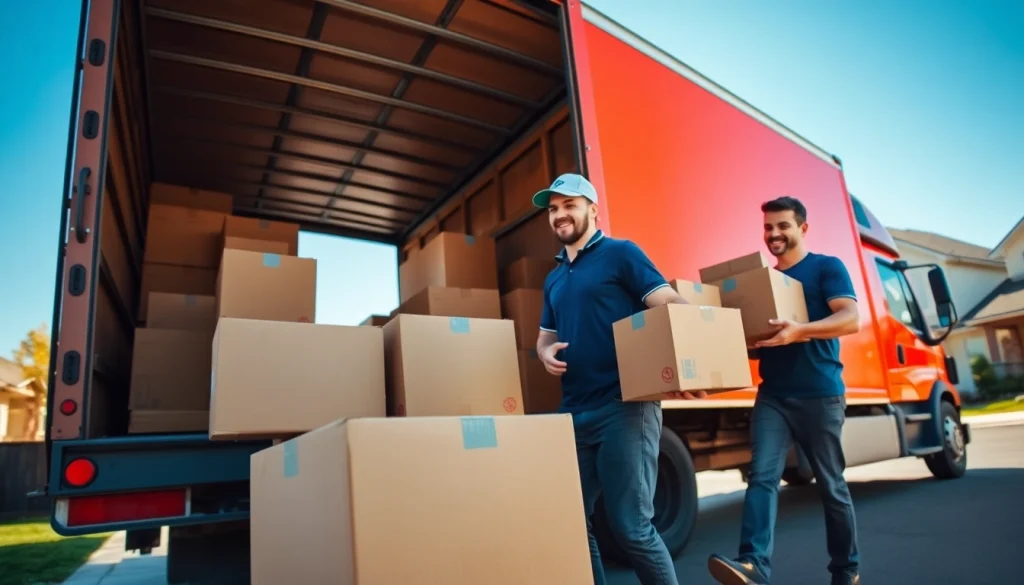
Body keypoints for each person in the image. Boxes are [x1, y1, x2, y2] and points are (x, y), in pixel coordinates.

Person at [532, 173, 703, 585]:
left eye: (568, 205)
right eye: (553, 209)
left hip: (624, 407)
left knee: (631, 527)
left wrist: (685, 355)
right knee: (573, 519)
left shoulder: (621, 254)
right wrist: (543, 353)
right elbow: (545, 336)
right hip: (574, 412)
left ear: (592, 209)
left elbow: (669, 302)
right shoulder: (554, 277)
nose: (559, 215)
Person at [706, 196, 862, 585]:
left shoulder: (826, 267)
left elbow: (849, 318)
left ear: (802, 228)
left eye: (782, 226)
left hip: (819, 395)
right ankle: (754, 563)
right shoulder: (765, 284)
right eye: (768, 227)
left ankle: (846, 569)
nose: (773, 234)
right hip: (773, 396)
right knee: (761, 476)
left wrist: (800, 331)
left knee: (831, 485)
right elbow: (757, 343)